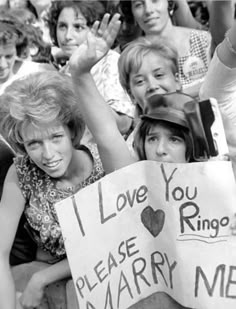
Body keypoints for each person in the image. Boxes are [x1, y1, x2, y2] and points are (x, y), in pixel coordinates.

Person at [0, 71, 105, 308]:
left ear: (72, 131)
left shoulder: (102, 163)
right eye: (34, 143)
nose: (48, 155)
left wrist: (42, 278)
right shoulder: (21, 173)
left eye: (56, 137)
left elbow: (114, 241)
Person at [68, 13, 219, 176]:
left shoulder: (210, 119)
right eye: (140, 81)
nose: (152, 86)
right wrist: (80, 73)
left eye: (159, 75)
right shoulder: (134, 142)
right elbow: (107, 136)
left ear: (177, 80)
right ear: (131, 95)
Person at [46, 0, 135, 136]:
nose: (68, 36)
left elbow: (123, 125)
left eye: (78, 27)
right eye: (62, 26)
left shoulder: (110, 62)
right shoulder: (63, 71)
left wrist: (82, 81)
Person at [118, 0, 212, 97]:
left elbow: (222, 83)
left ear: (169, 3)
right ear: (132, 12)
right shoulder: (133, 57)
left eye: (155, 1)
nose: (148, 10)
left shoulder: (203, 40)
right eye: (138, 5)